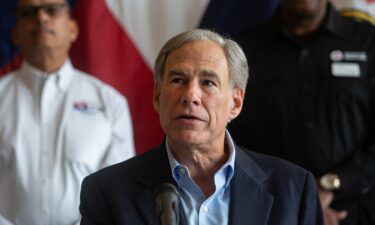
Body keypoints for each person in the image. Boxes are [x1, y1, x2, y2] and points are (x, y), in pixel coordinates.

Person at [79, 29, 323, 225]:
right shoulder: (107, 192)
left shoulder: (293, 189)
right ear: (157, 96)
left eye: (208, 82)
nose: (190, 95)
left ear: (235, 103)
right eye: (178, 80)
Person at [229, 0, 375, 224]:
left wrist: (333, 185)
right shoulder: (246, 49)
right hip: (272, 210)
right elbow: (231, 139)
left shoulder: (368, 42)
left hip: (353, 209)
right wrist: (299, 202)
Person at [0, 0, 135, 224]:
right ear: (15, 34)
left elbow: (118, 189)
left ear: (73, 29)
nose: (41, 18)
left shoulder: (111, 102)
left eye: (52, 10)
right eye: (29, 12)